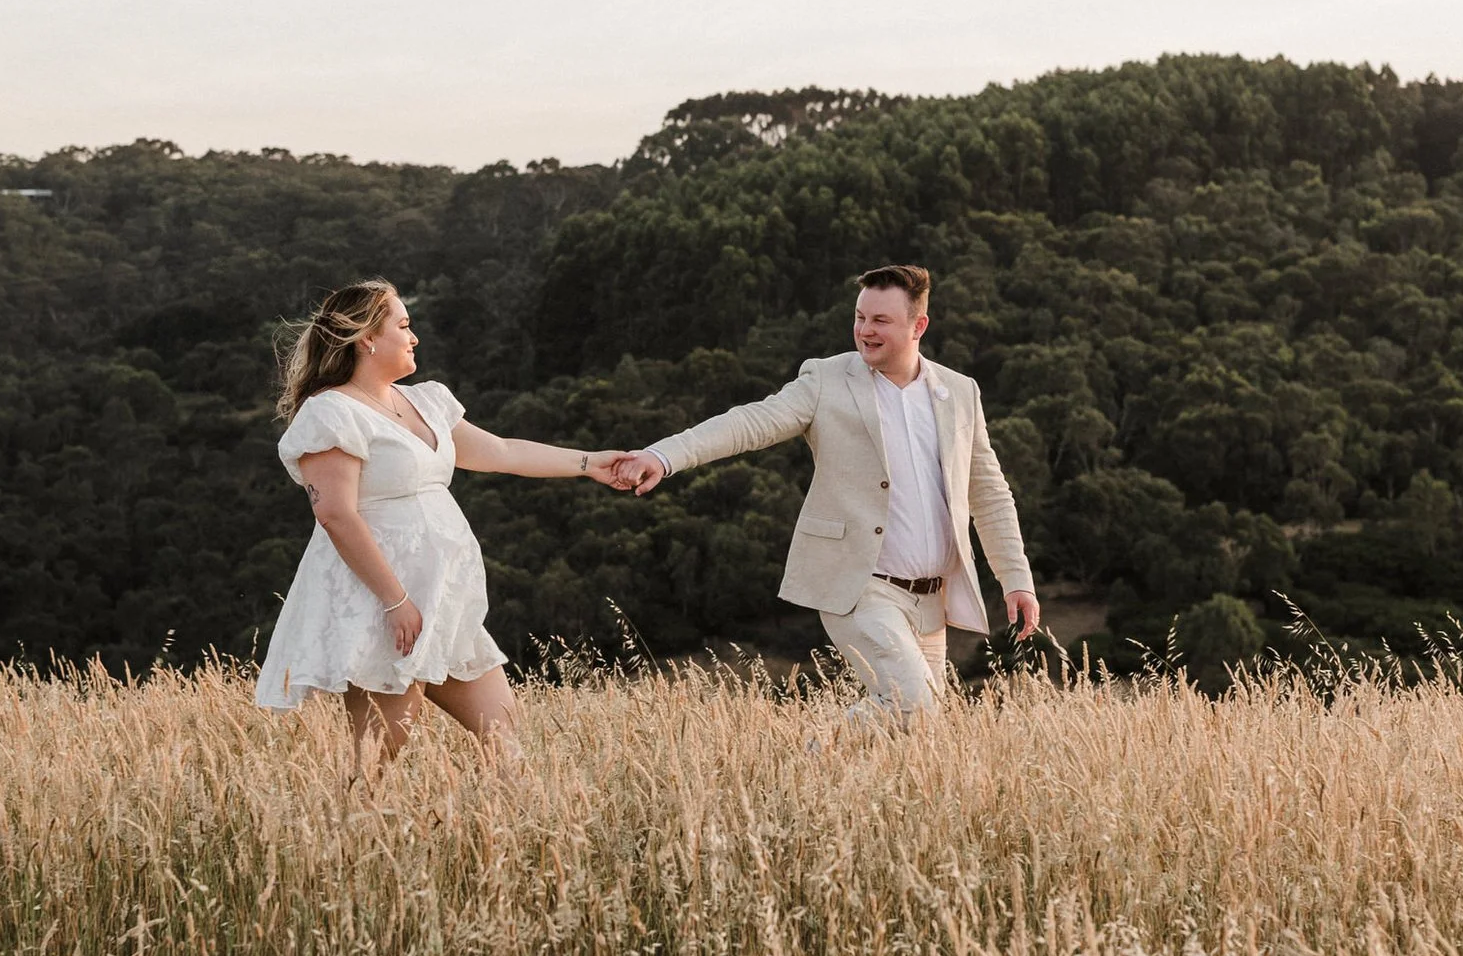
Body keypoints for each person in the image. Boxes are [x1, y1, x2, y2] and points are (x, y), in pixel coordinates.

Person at [613, 264, 1037, 720]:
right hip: (860, 587)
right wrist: (663, 456)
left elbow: (989, 493)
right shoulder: (826, 381)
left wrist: (1016, 579)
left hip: (931, 600)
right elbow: (748, 423)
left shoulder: (958, 392)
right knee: (915, 705)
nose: (864, 330)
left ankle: (821, 773)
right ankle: (812, 754)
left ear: (919, 326)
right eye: (859, 317)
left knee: (917, 733)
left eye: (880, 321)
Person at [255, 279, 632, 759]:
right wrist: (396, 601)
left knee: (509, 745)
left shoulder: (426, 400)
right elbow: (335, 514)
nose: (414, 338)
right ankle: (347, 833)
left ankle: (505, 835)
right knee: (377, 763)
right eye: (404, 325)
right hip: (386, 606)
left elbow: (501, 451)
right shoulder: (331, 413)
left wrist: (590, 463)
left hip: (447, 600)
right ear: (367, 337)